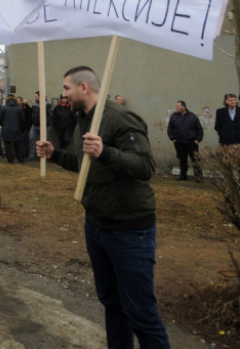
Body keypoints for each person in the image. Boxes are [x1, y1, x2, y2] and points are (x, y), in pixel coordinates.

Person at [36, 66, 170, 349]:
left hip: (129, 230)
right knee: (113, 304)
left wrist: (106, 152)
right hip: (97, 225)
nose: (62, 95)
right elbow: (85, 165)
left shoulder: (120, 118)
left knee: (141, 313)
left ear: (83, 87)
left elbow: (146, 167)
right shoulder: (83, 120)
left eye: (65, 88)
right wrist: (55, 154)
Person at [167, 101, 203, 183]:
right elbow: (170, 129)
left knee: (195, 160)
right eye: (176, 106)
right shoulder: (174, 116)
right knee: (182, 160)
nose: (176, 108)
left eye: (177, 106)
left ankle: (199, 177)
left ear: (183, 107)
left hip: (191, 143)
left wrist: (197, 140)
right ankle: (183, 175)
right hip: (179, 142)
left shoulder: (192, 116)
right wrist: (173, 139)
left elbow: (199, 129)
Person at [0, 94, 25, 164]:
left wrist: (3, 124)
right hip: (16, 128)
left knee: (7, 145)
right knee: (18, 145)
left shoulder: (3, 108)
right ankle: (20, 160)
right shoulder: (19, 108)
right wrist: (20, 127)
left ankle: (10, 160)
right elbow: (22, 119)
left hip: (6, 128)